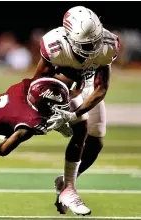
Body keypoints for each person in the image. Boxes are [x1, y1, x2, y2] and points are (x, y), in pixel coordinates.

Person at [33, 6, 120, 216]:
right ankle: (69, 190)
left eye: (95, 41)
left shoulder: (108, 44)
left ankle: (65, 183)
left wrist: (75, 113)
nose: (92, 47)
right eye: (86, 43)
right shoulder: (56, 44)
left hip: (90, 87)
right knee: (78, 132)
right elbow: (39, 82)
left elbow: (102, 88)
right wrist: (51, 106)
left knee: (96, 142)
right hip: (64, 89)